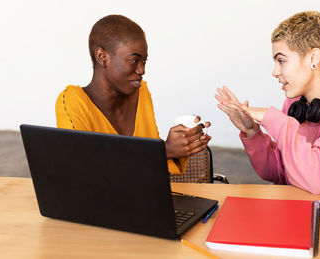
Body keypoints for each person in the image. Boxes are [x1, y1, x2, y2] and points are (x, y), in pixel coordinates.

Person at [215, 11, 320, 194]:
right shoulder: (295, 102)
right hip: (309, 205)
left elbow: (319, 181)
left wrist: (276, 120)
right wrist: (252, 132)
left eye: (281, 61)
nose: (275, 71)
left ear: (313, 58)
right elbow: (279, 174)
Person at [56, 14, 211, 174]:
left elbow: (150, 169)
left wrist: (184, 143)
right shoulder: (72, 101)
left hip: (149, 196)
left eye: (144, 61)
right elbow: (83, 171)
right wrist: (163, 151)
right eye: (133, 60)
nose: (141, 70)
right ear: (102, 57)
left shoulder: (141, 92)